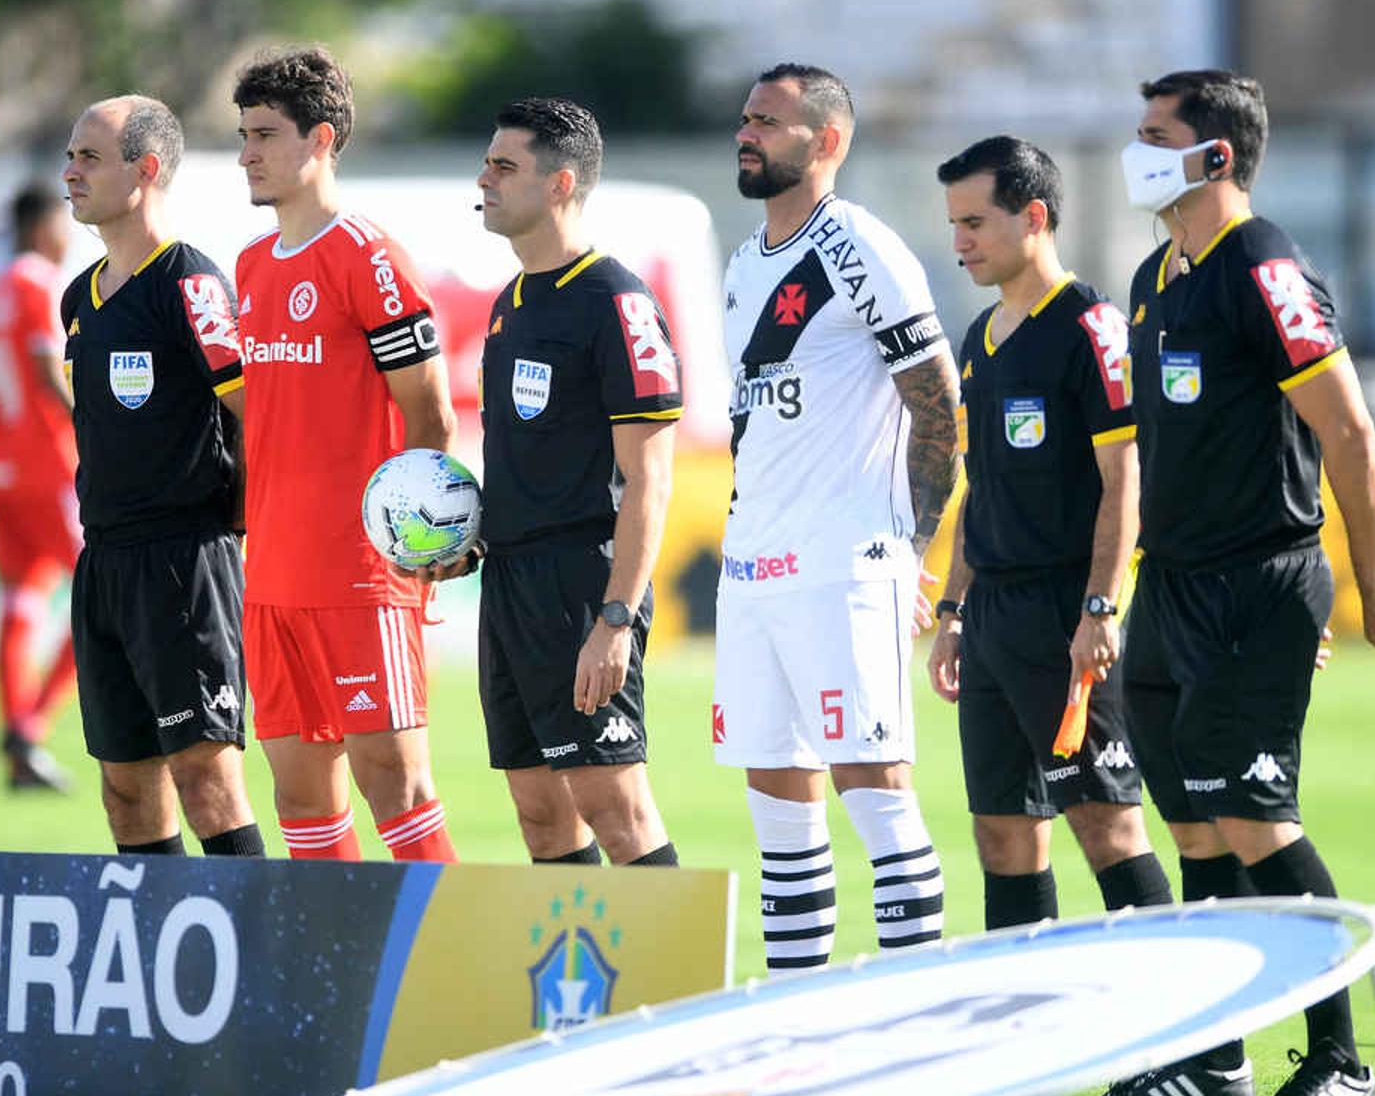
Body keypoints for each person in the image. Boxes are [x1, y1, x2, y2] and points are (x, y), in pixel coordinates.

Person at [1080, 69, 1375, 1096]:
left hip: (1256, 580)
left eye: (1154, 135)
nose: (1135, 150)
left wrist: (1367, 585)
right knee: (1192, 827)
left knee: (1255, 818)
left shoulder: (1262, 263)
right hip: (1172, 592)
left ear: (1214, 155)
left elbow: (1349, 430)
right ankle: (1213, 1060)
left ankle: (1345, 1066)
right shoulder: (1153, 275)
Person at [715, 63, 959, 971]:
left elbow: (937, 403)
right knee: (777, 801)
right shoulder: (745, 262)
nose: (747, 132)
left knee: (876, 791)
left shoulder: (860, 246)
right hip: (753, 565)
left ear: (827, 142)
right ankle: (799, 1018)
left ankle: (907, 1014)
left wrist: (911, 547)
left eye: (769, 122)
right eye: (745, 118)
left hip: (843, 564)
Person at [924, 136, 1175, 931]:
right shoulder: (980, 341)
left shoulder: (1090, 326)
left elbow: (1123, 478)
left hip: (1065, 612)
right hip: (993, 616)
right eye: (953, 222)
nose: (958, 241)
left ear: (1033, 217)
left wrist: (1100, 609)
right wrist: (954, 613)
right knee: (1001, 832)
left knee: (1104, 821)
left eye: (974, 222)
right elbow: (981, 488)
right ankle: (1028, 1036)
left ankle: (1187, 1047)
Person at [423, 96, 679, 868]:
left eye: (505, 166)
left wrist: (615, 618)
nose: (484, 178)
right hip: (511, 584)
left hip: (583, 582)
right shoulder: (511, 304)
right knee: (541, 814)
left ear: (561, 183)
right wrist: (467, 546)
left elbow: (649, 479)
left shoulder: (616, 301)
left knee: (613, 804)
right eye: (487, 162)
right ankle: (586, 992)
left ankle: (674, 987)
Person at [229, 47, 460, 864]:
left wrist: (421, 541)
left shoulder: (369, 257)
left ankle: (442, 978)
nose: (247, 153)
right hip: (273, 582)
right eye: (244, 134)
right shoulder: (251, 266)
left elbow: (431, 418)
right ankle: (346, 979)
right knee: (300, 798)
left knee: (396, 786)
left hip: (360, 577)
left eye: (264, 135)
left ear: (320, 139)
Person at [59, 94, 265, 858]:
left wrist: (242, 532)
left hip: (186, 559)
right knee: (124, 790)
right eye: (71, 155)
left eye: (89, 157)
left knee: (207, 779)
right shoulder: (78, 298)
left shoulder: (191, 284)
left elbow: (255, 416)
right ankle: (164, 972)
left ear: (145, 170)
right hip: (105, 561)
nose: (69, 172)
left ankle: (258, 962)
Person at [0, 181, 78, 792]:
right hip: (45, 464)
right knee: (103, 595)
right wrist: (94, 427)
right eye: (63, 224)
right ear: (42, 227)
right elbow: (43, 369)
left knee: (19, 603)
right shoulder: (38, 283)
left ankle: (19, 743)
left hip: (0, 465)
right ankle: (30, 725)